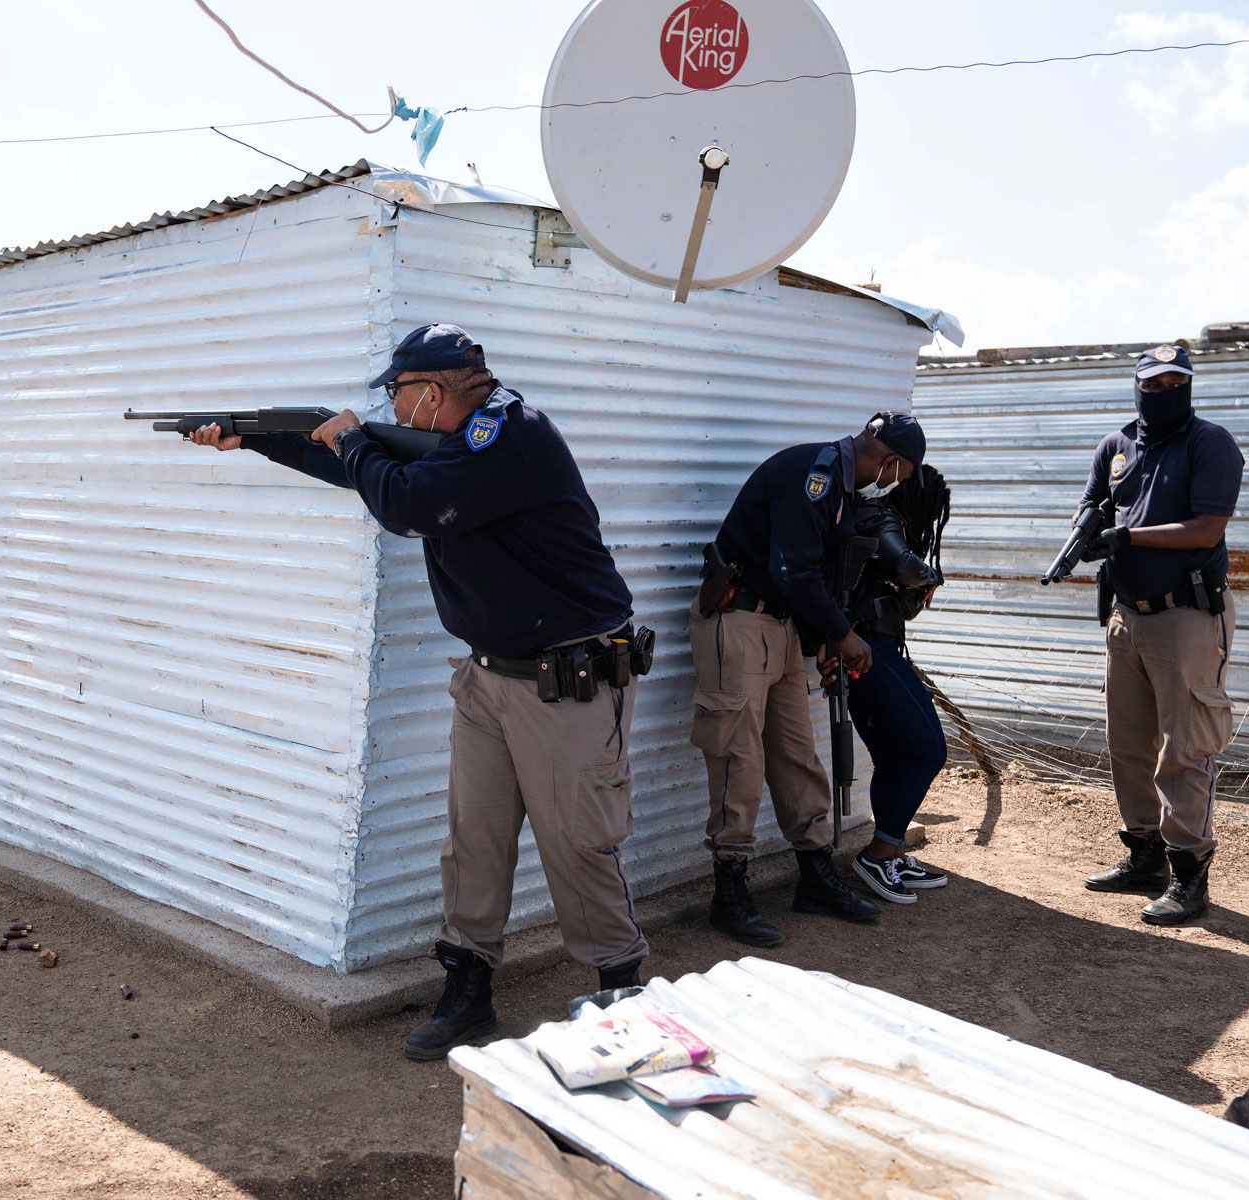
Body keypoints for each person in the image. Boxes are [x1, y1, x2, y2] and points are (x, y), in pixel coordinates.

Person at [184, 323, 650, 1060]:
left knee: (581, 843)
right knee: (473, 842)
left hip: (567, 681)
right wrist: (259, 439)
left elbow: (404, 501)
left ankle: (618, 991)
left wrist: (343, 437)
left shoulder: (510, 435)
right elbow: (371, 477)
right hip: (488, 676)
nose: (393, 412)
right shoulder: (461, 442)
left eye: (397, 397)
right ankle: (468, 991)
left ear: (431, 393)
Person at [690, 415, 925, 945]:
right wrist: (843, 636)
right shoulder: (814, 475)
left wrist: (821, 640)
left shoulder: (838, 487)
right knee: (739, 760)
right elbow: (794, 569)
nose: (891, 483)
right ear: (888, 458)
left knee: (798, 752)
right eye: (899, 472)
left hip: (778, 624)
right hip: (740, 620)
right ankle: (729, 892)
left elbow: (815, 576)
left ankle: (815, 876)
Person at [1077, 344, 1243, 925]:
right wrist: (1086, 532)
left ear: (1189, 386)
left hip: (1187, 617)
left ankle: (1190, 872)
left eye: (1176, 381)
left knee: (1185, 749)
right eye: (1154, 382)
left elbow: (1206, 527)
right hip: (1127, 616)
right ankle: (1144, 855)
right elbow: (1092, 504)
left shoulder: (1209, 442)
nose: (1164, 390)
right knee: (1128, 743)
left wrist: (1130, 537)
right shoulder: (1115, 445)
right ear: (1138, 385)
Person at [834, 449, 952, 904]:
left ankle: (892, 848)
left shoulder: (878, 513)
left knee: (895, 754)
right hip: (867, 651)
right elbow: (901, 562)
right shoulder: (883, 517)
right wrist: (929, 577)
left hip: (871, 647)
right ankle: (878, 853)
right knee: (927, 751)